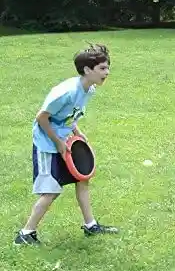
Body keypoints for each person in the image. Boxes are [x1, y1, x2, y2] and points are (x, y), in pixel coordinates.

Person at [15, 43, 119, 245]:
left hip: (66, 138)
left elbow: (71, 115)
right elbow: (41, 117)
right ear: (88, 70)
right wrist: (57, 143)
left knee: (82, 179)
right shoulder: (65, 92)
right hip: (47, 141)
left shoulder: (89, 90)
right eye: (102, 69)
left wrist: (77, 131)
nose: (107, 72)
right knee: (51, 191)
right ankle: (25, 234)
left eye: (107, 67)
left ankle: (90, 226)